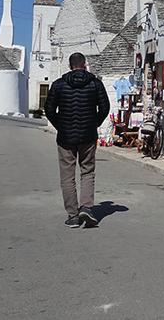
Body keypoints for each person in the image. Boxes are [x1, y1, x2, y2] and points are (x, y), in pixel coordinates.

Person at [45, 52, 111, 228]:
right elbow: (105, 107)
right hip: (88, 135)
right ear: (85, 64)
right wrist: (94, 123)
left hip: (65, 137)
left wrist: (60, 125)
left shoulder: (58, 85)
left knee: (67, 175)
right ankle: (87, 208)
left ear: (69, 65)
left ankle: (73, 215)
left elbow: (49, 109)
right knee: (87, 172)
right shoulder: (95, 84)